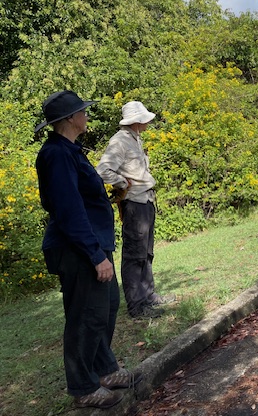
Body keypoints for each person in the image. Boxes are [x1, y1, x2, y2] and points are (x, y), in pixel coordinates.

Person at [35, 90, 141, 409]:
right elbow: (68, 209)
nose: (86, 115)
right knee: (86, 317)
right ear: (70, 119)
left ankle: (105, 370)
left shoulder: (69, 150)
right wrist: (95, 255)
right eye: (82, 111)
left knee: (105, 309)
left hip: (92, 243)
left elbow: (83, 199)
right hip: (78, 249)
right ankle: (83, 387)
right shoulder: (56, 154)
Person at [97, 101, 175, 318]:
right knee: (134, 254)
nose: (148, 121)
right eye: (145, 118)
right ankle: (137, 305)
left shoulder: (135, 139)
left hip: (146, 200)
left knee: (147, 252)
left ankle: (148, 296)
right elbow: (102, 170)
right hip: (134, 203)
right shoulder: (120, 141)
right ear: (136, 120)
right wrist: (122, 182)